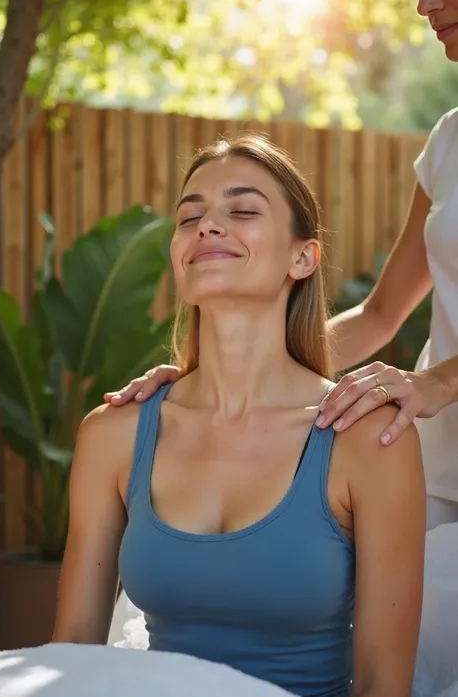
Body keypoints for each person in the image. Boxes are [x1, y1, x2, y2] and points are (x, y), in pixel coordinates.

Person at [53, 135, 426, 697]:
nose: (206, 226)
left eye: (243, 210)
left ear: (303, 257)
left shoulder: (370, 437)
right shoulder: (114, 433)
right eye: (189, 217)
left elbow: (382, 685)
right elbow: (73, 653)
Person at [105, 0, 458, 532]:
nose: (425, 4)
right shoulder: (448, 143)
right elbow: (381, 314)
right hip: (439, 461)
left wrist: (439, 381)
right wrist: (218, 378)